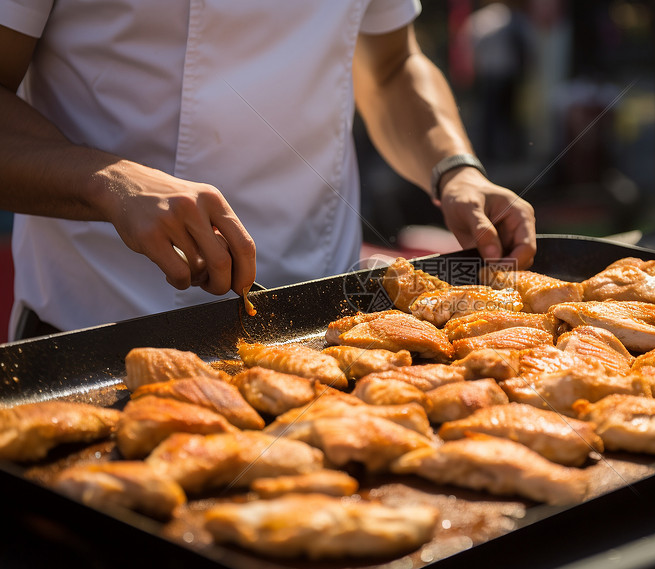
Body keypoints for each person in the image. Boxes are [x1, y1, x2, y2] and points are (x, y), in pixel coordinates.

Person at [0, 1, 536, 340]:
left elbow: (393, 65)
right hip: (96, 327)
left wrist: (455, 168)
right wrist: (108, 182)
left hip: (325, 327)